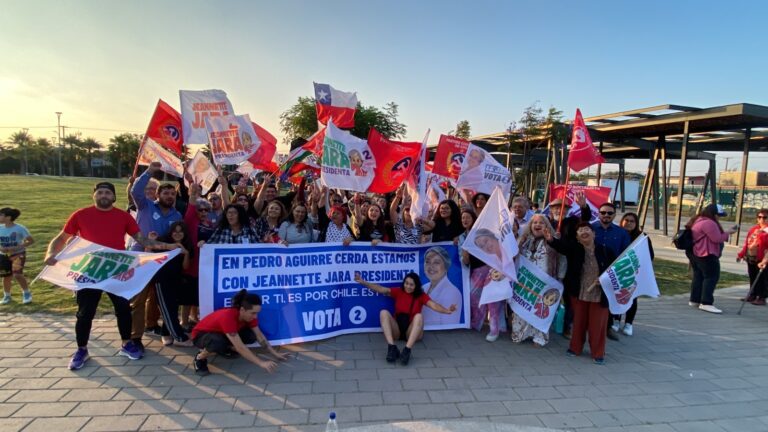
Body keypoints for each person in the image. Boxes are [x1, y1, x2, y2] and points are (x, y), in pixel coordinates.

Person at [44, 181, 177, 370]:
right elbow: (61, 238)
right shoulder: (80, 215)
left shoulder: (123, 217)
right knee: (85, 313)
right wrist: (50, 253)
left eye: (107, 193)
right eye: (100, 192)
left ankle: (126, 343)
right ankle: (82, 350)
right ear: (94, 196)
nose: (104, 195)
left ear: (114, 197)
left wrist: (168, 247)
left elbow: (142, 240)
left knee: (123, 309)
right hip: (90, 271)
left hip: (117, 271)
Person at [544, 222, 615, 365]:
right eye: (580, 230)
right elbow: (561, 247)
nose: (584, 232)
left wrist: (605, 280)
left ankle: (598, 353)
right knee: (579, 323)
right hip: (580, 292)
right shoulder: (575, 249)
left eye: (587, 229)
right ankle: (575, 348)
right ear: (577, 237)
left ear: (594, 233)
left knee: (597, 326)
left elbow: (614, 270)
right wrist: (551, 240)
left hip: (599, 294)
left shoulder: (606, 251)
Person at [130, 162, 183, 349]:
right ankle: (134, 337)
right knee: (138, 298)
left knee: (158, 296)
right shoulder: (145, 206)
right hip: (142, 256)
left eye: (172, 194)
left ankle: (153, 325)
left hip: (164, 259)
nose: (169, 196)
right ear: (158, 195)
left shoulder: (177, 215)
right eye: (165, 193)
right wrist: (150, 171)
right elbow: (135, 191)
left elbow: (178, 236)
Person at [354, 272, 456, 365]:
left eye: (411, 284)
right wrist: (363, 282)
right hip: (397, 330)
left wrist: (447, 310)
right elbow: (381, 289)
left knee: (419, 316)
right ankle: (392, 348)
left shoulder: (421, 296)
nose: (408, 286)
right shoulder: (398, 291)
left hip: (412, 331)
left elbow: (433, 305)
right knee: (383, 313)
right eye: (406, 283)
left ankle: (407, 350)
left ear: (416, 286)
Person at [191, 289, 288, 376]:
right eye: (253, 313)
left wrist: (275, 353)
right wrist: (261, 363)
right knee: (218, 342)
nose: (255, 317)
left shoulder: (249, 316)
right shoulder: (228, 317)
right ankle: (200, 358)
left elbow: (259, 335)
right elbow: (240, 347)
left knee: (251, 336)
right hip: (200, 335)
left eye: (257, 313)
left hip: (222, 333)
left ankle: (224, 348)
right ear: (242, 310)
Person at [511, 214, 563, 347]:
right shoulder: (524, 240)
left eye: (541, 222)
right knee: (523, 307)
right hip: (526, 281)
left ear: (546, 226)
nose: (537, 225)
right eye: (535, 222)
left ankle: (539, 337)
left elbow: (562, 260)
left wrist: (560, 278)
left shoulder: (554, 239)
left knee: (541, 310)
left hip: (545, 282)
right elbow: (513, 255)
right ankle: (521, 334)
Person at [687, 204, 738, 314]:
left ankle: (695, 300)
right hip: (706, 254)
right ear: (713, 214)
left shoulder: (698, 219)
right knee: (711, 277)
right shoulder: (709, 223)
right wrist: (729, 232)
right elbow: (717, 239)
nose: (719, 218)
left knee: (698, 276)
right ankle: (706, 303)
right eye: (718, 215)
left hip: (695, 253)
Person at [150, 221, 194, 347]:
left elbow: (185, 267)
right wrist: (151, 241)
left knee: (172, 308)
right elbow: (149, 255)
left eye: (181, 231)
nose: (178, 234)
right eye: (175, 231)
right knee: (167, 308)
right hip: (161, 280)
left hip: (176, 280)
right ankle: (179, 337)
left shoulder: (186, 245)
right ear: (171, 232)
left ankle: (166, 333)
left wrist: (185, 254)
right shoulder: (163, 242)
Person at [591, 202, 630, 340]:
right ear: (599, 213)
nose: (606, 215)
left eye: (609, 213)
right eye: (603, 212)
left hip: (612, 271)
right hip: (592, 269)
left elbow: (625, 253)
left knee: (608, 300)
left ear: (614, 215)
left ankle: (607, 327)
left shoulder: (622, 233)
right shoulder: (591, 228)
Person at [612, 212, 654, 335]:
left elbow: (649, 255)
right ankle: (616, 320)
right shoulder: (617, 233)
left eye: (632, 221)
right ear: (622, 221)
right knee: (618, 296)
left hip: (634, 272)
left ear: (636, 224)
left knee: (631, 297)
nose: (629, 223)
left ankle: (629, 323)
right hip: (619, 271)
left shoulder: (642, 237)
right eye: (627, 220)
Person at [0, 207, 34, 304]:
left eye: (1, 215)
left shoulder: (20, 228)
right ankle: (7, 296)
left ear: (8, 217)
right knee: (6, 276)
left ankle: (26, 293)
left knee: (18, 274)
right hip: (3, 255)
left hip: (18, 254)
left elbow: (31, 241)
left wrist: (17, 247)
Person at [421, 247, 462, 325]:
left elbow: (449, 326)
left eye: (436, 262)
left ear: (446, 266)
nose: (431, 266)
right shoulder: (423, 288)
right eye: (427, 261)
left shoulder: (453, 292)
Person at [736, 208, 768, 305]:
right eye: (759, 217)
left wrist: (761, 235)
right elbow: (747, 243)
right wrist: (741, 254)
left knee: (763, 278)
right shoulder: (754, 229)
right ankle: (752, 294)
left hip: (763, 258)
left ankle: (762, 297)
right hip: (751, 257)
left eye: (765, 217)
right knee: (752, 276)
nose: (762, 219)